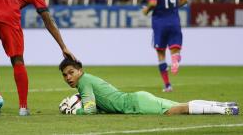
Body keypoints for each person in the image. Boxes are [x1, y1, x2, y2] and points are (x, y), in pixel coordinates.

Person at [58, 58, 239, 115]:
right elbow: (99, 107)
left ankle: (223, 111)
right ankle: (223, 105)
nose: (68, 77)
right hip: (136, 98)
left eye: (71, 72)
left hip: (135, 104)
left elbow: (89, 111)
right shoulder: (88, 78)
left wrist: (74, 111)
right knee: (180, 105)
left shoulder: (84, 82)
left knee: (177, 110)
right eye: (65, 75)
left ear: (80, 71)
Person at [141, 0, 188, 92]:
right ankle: (176, 59)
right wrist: (173, 7)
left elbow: (153, 2)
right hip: (174, 21)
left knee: (161, 53)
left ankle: (168, 85)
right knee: (174, 48)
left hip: (160, 22)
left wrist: (146, 10)